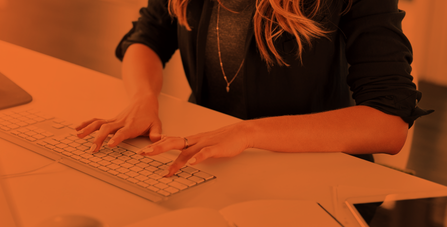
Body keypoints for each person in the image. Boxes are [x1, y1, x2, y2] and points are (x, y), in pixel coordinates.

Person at [75, 0, 431, 177]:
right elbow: (148, 35)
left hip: (315, 172)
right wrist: (143, 98)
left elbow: (389, 123)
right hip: (210, 161)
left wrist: (249, 132)